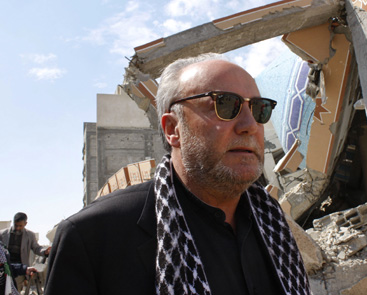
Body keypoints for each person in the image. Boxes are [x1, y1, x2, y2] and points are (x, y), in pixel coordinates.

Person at [45, 53, 311, 295]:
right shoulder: (92, 239)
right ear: (173, 128)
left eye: (258, 109)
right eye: (225, 105)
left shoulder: (273, 222)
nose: (249, 125)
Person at [0, 213, 50, 292]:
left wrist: (45, 251)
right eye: (16, 225)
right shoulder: (2, 234)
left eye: (20, 226)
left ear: (25, 224)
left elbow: (36, 248)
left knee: (15, 290)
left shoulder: (30, 235)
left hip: (19, 270)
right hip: (5, 269)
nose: (17, 228)